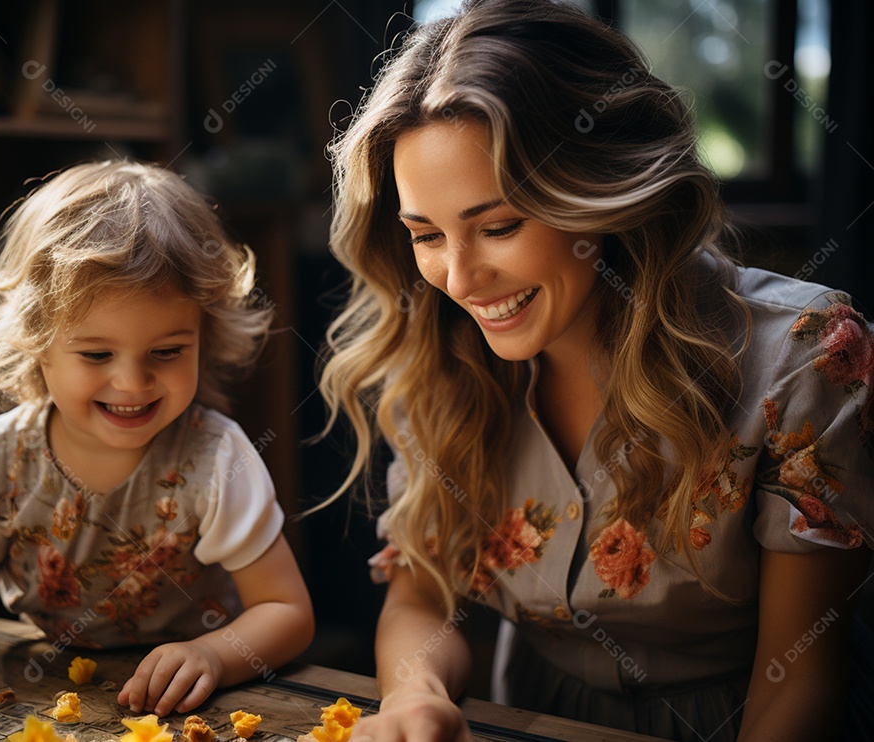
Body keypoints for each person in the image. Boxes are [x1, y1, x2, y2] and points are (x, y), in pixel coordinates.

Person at [318, 1, 874, 740]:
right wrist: (415, 692)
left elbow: (800, 675)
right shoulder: (436, 355)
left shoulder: (804, 355)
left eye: (500, 226)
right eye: (425, 235)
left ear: (604, 191)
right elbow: (421, 592)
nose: (460, 276)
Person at [0, 161, 314, 715]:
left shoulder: (217, 457)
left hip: (190, 703)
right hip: (44, 691)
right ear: (37, 343)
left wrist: (213, 656)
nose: (133, 383)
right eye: (96, 354)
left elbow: (286, 611)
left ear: (204, 337)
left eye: (167, 352)